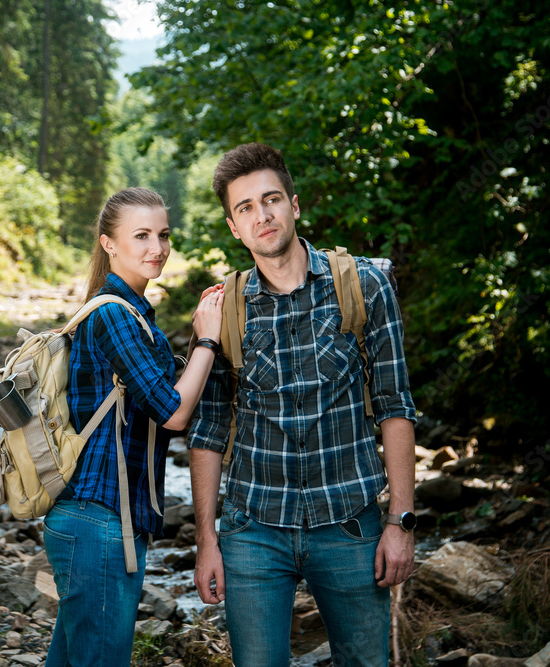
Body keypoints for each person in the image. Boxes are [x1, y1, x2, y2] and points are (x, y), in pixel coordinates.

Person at [187, 144, 418, 666]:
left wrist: (400, 523)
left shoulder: (364, 285)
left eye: (271, 200)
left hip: (350, 524)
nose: (261, 215)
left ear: (294, 204)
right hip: (253, 533)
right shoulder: (224, 309)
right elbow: (207, 432)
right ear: (233, 227)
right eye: (245, 208)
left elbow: (395, 406)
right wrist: (207, 541)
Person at [43, 187, 224, 667]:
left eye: (163, 235)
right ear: (108, 244)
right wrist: (207, 337)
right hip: (99, 523)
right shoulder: (113, 316)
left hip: (95, 523)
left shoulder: (136, 318)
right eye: (141, 235)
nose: (157, 248)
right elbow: (174, 412)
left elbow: (169, 406)